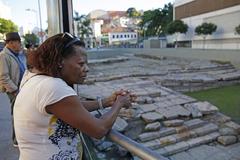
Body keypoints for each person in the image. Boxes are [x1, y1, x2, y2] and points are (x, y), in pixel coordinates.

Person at [14, 32, 135, 160]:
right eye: (81, 64)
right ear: (60, 61)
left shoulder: (37, 80)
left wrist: (106, 102)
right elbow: (99, 129)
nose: (86, 69)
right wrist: (119, 103)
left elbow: (71, 107)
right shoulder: (53, 86)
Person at [0, 32, 26, 147]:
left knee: (21, 113)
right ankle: (16, 140)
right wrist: (15, 91)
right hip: (14, 90)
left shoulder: (15, 54)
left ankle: (20, 137)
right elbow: (3, 77)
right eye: (18, 42)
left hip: (20, 88)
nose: (20, 44)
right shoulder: (4, 55)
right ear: (10, 43)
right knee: (17, 114)